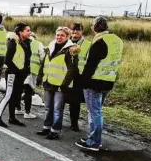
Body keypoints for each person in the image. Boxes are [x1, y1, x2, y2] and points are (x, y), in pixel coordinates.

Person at [75, 16, 123, 151]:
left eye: (92, 25)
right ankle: (92, 137)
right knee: (96, 112)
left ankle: (94, 142)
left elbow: (90, 65)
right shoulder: (117, 40)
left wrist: (83, 81)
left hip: (94, 82)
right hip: (109, 81)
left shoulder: (99, 42)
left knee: (95, 113)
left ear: (94, 27)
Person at [36, 27, 78, 140]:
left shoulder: (71, 50)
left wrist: (64, 85)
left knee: (57, 109)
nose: (59, 37)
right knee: (48, 107)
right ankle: (46, 127)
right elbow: (44, 62)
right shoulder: (50, 46)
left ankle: (55, 131)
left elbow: (72, 69)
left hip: (60, 85)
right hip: (48, 81)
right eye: (58, 35)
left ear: (67, 37)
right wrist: (40, 77)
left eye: (62, 35)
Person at [0, 23, 31, 128]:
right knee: (8, 95)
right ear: (20, 32)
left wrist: (24, 72)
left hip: (20, 75)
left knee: (15, 96)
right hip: (12, 74)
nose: (29, 32)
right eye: (27, 30)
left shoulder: (26, 43)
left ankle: (12, 118)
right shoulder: (13, 42)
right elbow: (7, 60)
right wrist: (17, 71)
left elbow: (26, 59)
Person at [61, 22, 91, 131]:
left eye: (78, 30)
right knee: (61, 99)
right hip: (64, 75)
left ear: (82, 32)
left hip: (78, 77)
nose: (75, 32)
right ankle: (58, 121)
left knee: (75, 102)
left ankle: (74, 124)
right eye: (73, 30)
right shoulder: (66, 42)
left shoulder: (87, 44)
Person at [15, 31, 45, 119]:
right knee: (29, 91)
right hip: (32, 70)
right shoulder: (38, 44)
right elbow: (43, 58)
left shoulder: (20, 43)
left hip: (20, 69)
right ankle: (27, 112)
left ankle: (18, 108)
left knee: (19, 89)